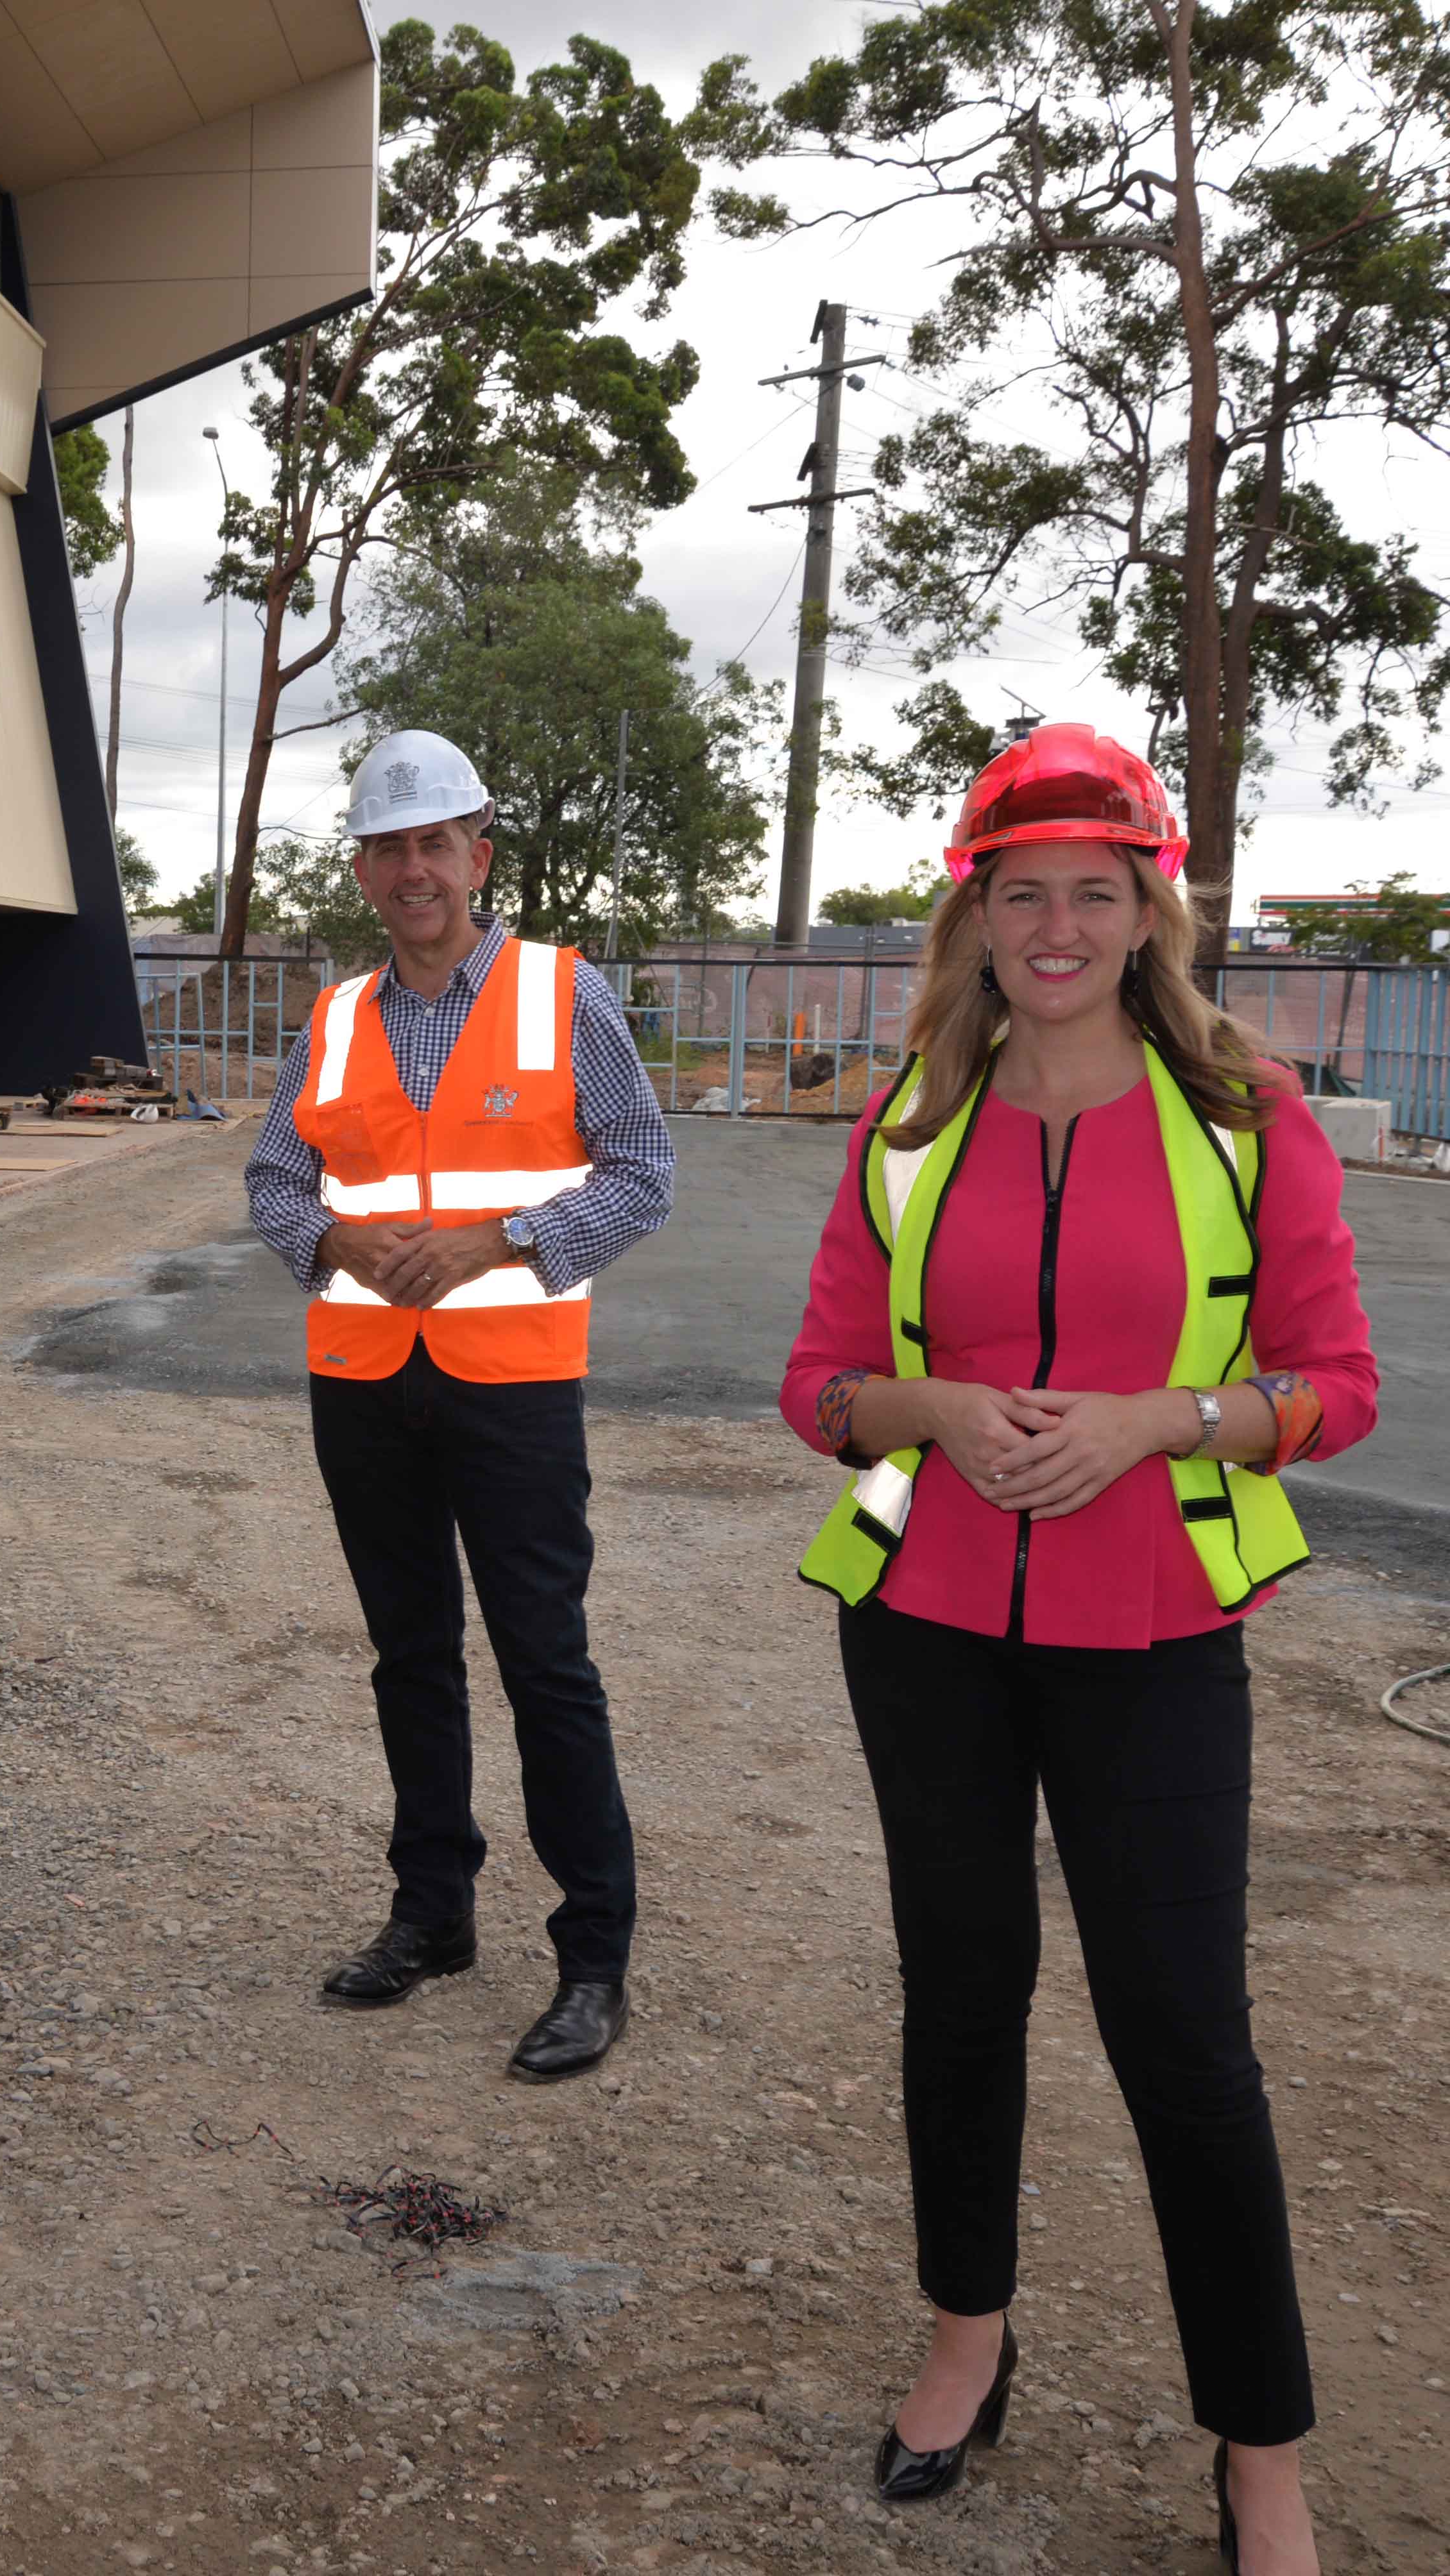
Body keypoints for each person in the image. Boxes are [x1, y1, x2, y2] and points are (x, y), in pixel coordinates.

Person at [781, 726, 1376, 2571]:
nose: (1054, 924)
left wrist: (1161, 1425)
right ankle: (970, 2339)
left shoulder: (1244, 1116)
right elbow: (818, 1388)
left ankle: (1258, 2454)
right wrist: (933, 1408)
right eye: (1021, 891)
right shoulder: (908, 1125)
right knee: (959, 2001)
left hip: (1157, 1631)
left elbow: (1335, 1386)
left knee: (1184, 2037)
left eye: (1092, 894)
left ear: (1146, 915)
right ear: (979, 914)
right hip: (931, 1631)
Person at [245, 729, 674, 2081]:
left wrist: (502, 1240)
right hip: (365, 1386)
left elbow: (643, 1171)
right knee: (408, 1655)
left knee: (545, 1662)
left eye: (436, 842)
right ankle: (431, 1916)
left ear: (478, 857)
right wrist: (333, 1244)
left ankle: (592, 1954)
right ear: (364, 875)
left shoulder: (563, 995)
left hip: (512, 1390)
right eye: (389, 847)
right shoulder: (331, 1019)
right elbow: (273, 1182)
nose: (413, 868)